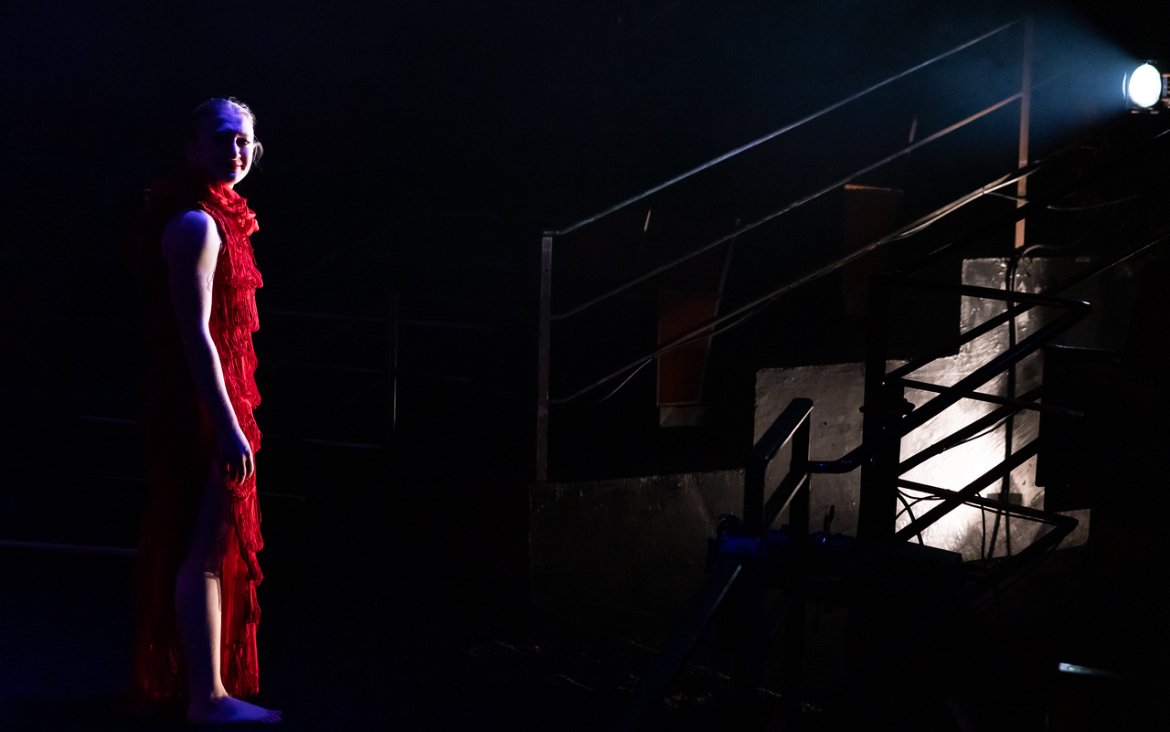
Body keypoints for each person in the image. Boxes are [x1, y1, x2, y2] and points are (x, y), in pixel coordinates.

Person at [129, 97, 281, 725]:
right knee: (206, 544)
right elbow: (196, 332)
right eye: (223, 139)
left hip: (208, 394)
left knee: (209, 545)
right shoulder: (195, 222)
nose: (238, 152)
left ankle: (208, 692)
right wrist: (228, 425)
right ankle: (207, 698)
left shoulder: (219, 216)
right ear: (192, 147)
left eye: (246, 141)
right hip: (201, 400)